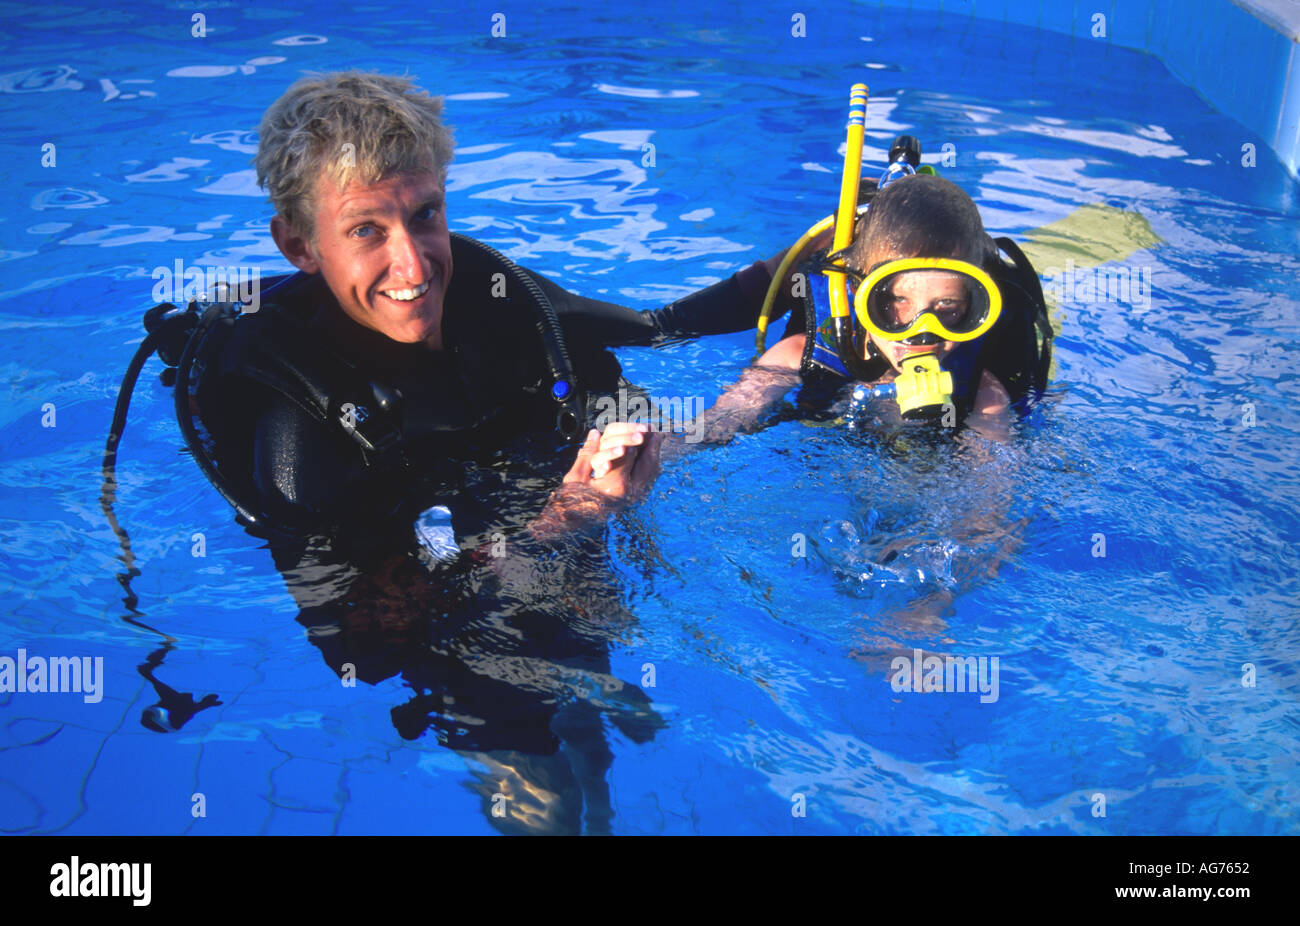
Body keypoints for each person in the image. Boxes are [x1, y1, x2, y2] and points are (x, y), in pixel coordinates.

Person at [174, 70, 802, 562]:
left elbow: (658, 329)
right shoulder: (298, 433)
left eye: (424, 215)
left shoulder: (491, 292)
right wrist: (573, 515)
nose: (415, 268)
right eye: (366, 230)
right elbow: (375, 645)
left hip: (512, 499)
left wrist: (802, 269)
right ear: (299, 246)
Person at [688, 171, 1053, 446]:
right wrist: (654, 451)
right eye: (895, 301)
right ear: (856, 291)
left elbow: (989, 514)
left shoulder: (982, 395)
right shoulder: (801, 356)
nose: (919, 331)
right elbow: (717, 424)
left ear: (973, 307)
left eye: (947, 305)